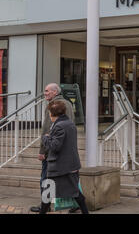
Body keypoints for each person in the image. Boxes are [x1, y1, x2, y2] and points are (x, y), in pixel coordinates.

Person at [30, 83, 75, 213]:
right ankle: (74, 203)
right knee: (67, 178)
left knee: (46, 178)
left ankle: (45, 206)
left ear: (55, 92)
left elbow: (46, 130)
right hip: (66, 150)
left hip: (53, 150)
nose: (45, 93)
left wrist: (42, 151)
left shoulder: (53, 106)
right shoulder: (68, 104)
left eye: (47, 91)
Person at [39, 100, 89, 214]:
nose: (49, 115)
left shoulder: (59, 126)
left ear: (52, 113)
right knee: (74, 192)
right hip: (67, 166)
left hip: (60, 167)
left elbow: (55, 146)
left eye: (49, 113)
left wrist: (45, 138)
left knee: (49, 193)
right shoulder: (69, 123)